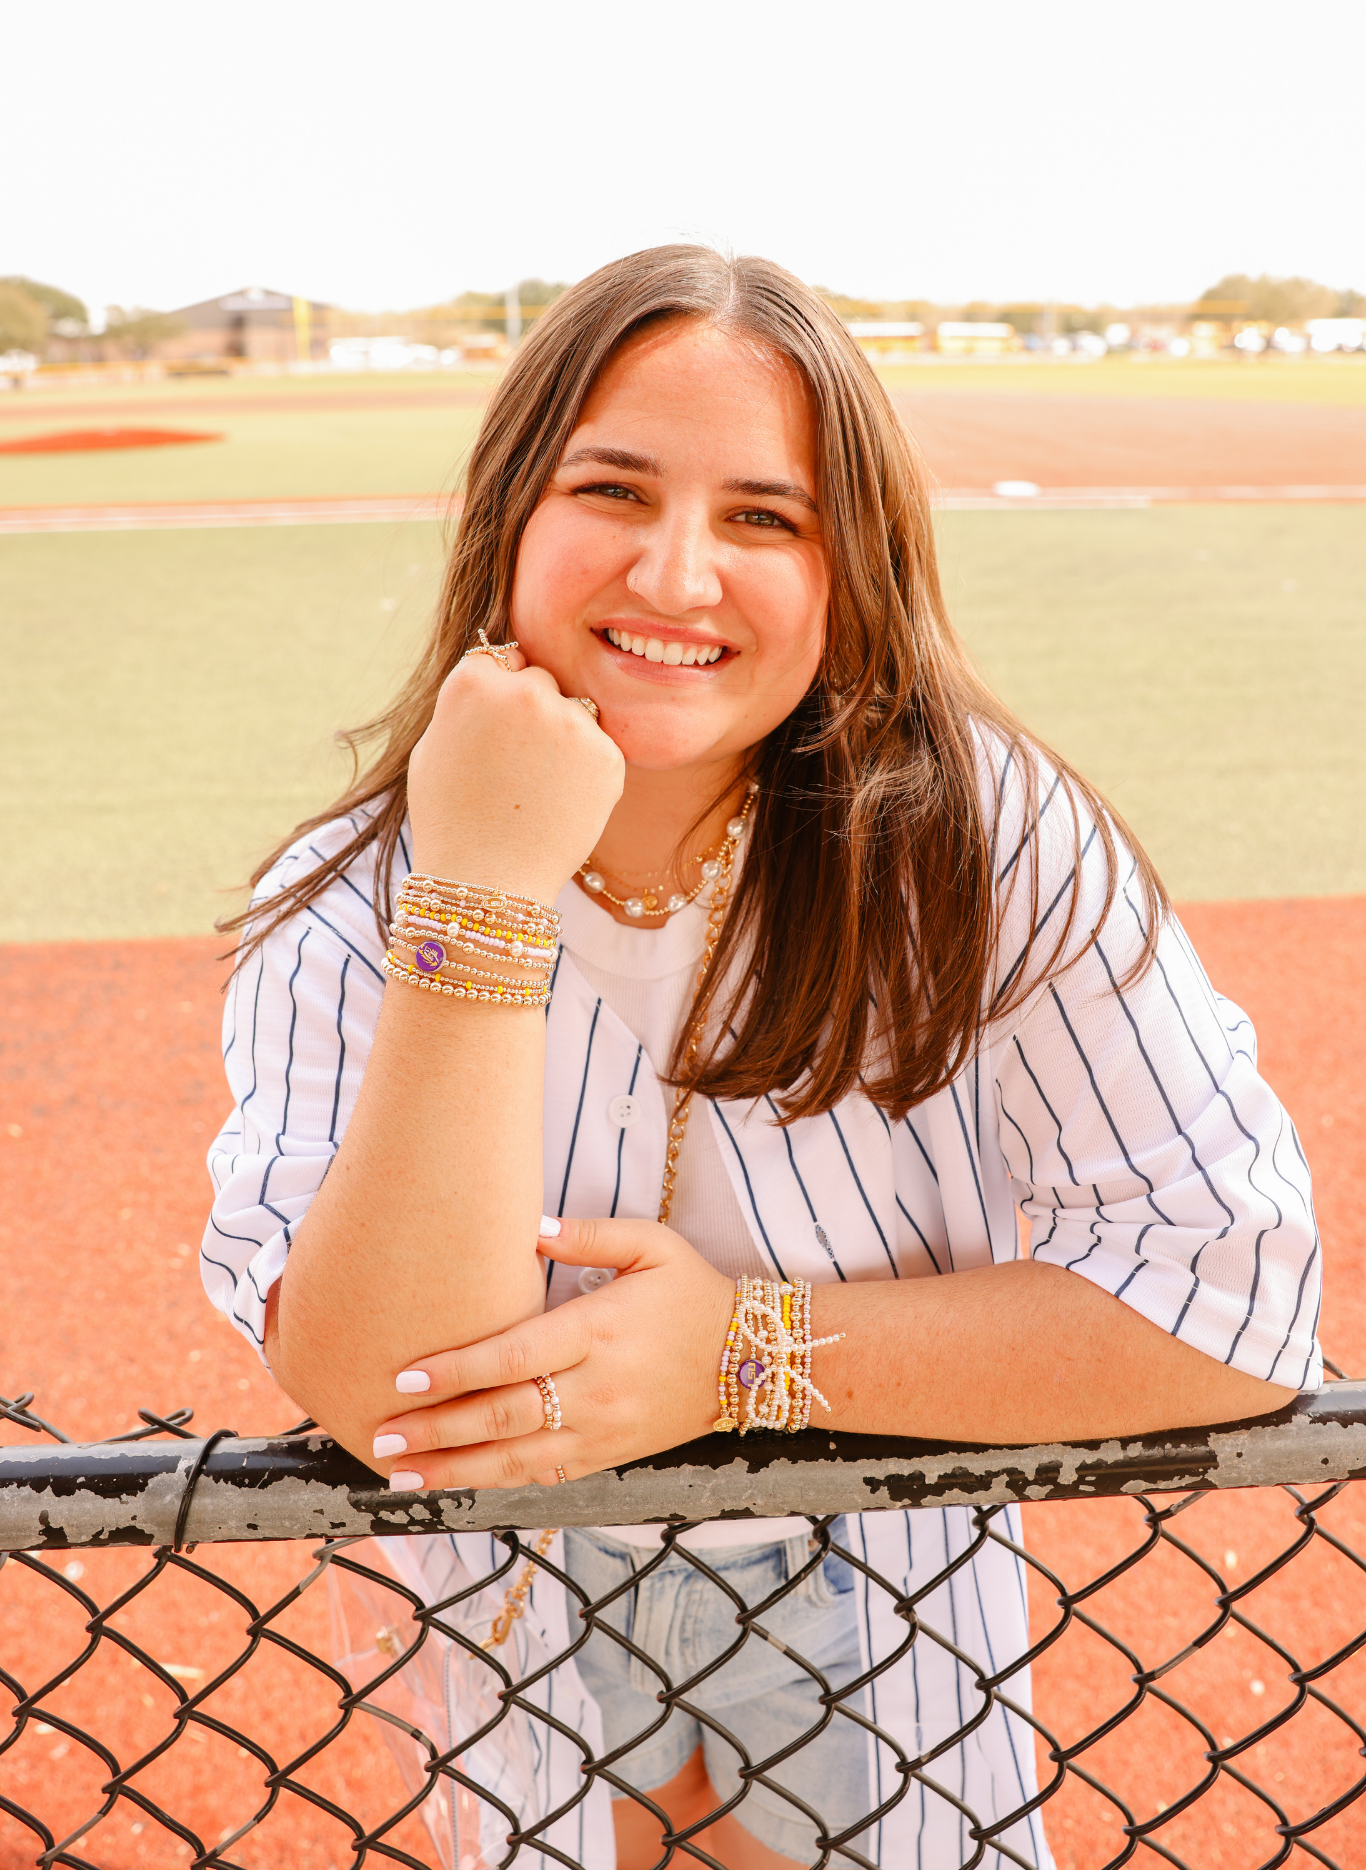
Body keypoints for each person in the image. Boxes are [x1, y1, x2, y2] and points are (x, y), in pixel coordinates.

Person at [203, 246, 1319, 1870]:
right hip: (521, 1614)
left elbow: (1229, 1310)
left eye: (761, 517)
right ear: (509, 517)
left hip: (884, 1614)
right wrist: (479, 898)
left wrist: (742, 1355)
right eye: (611, 490)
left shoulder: (985, 842)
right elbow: (388, 1393)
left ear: (849, 566)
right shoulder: (355, 896)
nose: (673, 575)